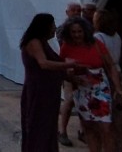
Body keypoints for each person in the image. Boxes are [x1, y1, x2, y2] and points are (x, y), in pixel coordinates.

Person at [59, 16, 122, 152]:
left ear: (85, 31)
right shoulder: (67, 46)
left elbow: (111, 65)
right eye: (73, 32)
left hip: (100, 87)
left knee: (105, 127)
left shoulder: (95, 43)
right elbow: (61, 68)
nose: (77, 35)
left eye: (80, 31)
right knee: (88, 126)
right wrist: (72, 78)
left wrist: (118, 88)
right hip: (81, 89)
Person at [21, 13, 82, 152]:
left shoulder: (43, 43)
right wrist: (67, 65)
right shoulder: (34, 42)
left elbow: (54, 68)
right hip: (39, 93)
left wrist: (72, 78)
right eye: (52, 25)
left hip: (48, 94)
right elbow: (44, 64)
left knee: (48, 128)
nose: (54, 28)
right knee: (39, 127)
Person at [93, 10, 122, 152]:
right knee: (118, 117)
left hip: (106, 75)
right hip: (118, 72)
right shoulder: (116, 36)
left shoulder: (98, 38)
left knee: (106, 119)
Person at [58, 1, 84, 147]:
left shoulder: (85, 27)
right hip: (70, 69)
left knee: (82, 101)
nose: (76, 12)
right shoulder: (63, 30)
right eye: (73, 10)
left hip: (82, 69)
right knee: (69, 101)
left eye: (78, 10)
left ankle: (82, 130)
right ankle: (62, 131)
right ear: (67, 12)